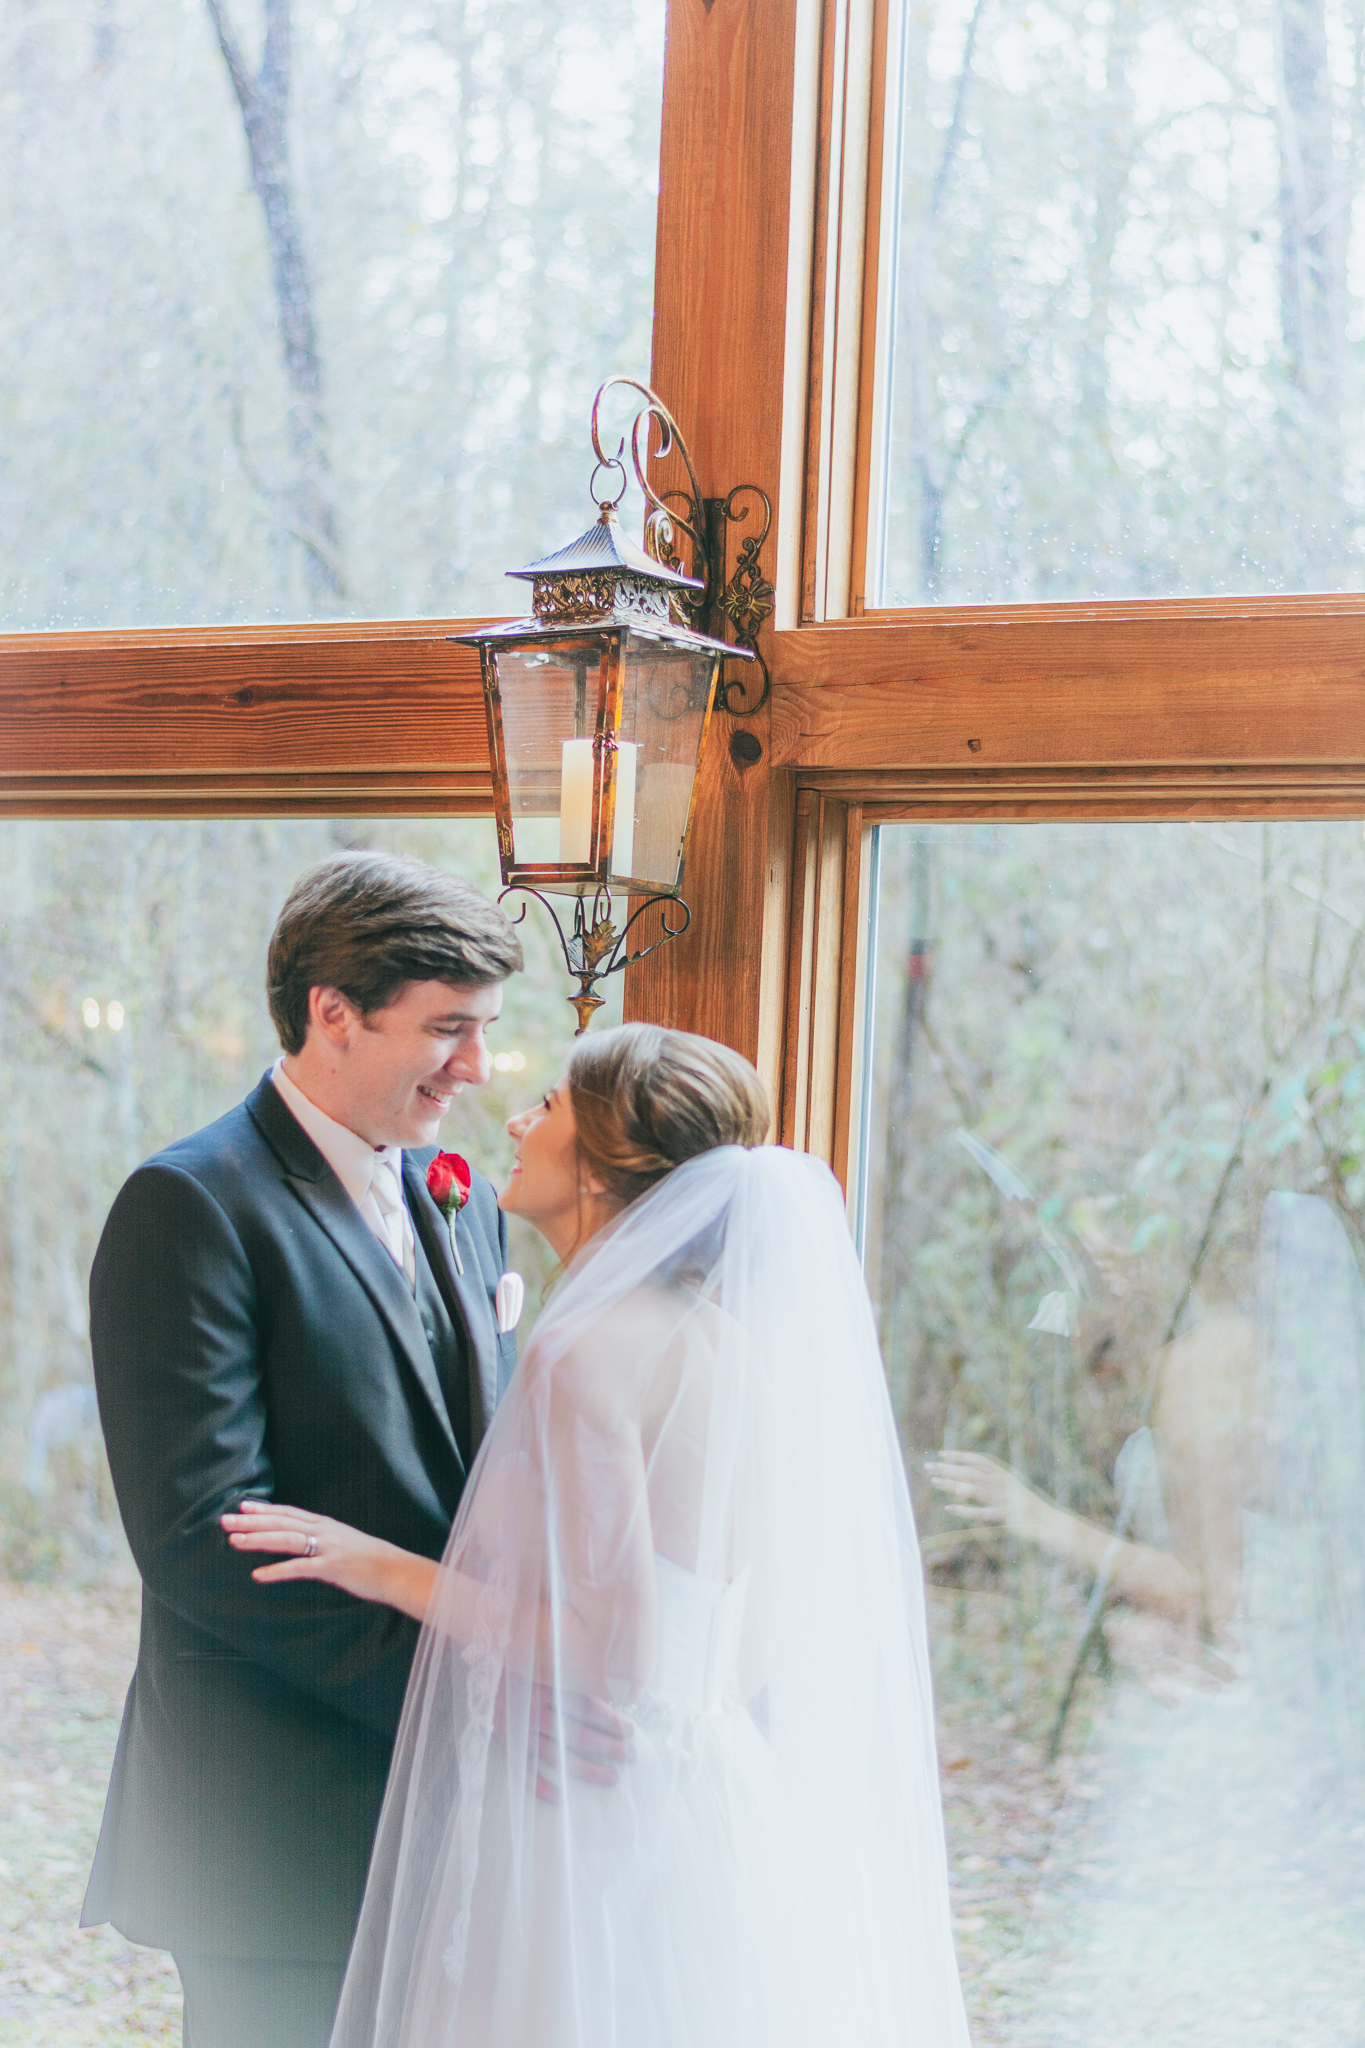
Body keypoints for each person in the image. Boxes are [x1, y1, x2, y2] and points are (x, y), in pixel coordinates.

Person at [227, 1023, 970, 2048]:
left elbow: (609, 1645)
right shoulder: (735, 1344)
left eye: (553, 1107)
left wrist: (382, 1565)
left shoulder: (582, 1350)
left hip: (592, 1804)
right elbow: (738, 1629)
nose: (520, 1122)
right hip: (715, 1794)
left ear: (608, 1165)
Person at [81, 850, 574, 2048]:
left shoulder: (449, 1190)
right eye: (447, 1029)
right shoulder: (190, 1204)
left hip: (446, 1816)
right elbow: (204, 1537)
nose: (476, 1065)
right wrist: (456, 1701)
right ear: (333, 1013)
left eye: (485, 1029)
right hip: (275, 1819)